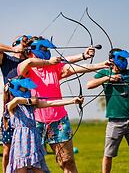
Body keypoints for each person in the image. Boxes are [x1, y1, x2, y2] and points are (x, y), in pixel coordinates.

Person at [17, 37, 111, 173]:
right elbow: (30, 61)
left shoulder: (54, 67)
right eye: (44, 49)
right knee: (33, 163)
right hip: (34, 121)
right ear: (32, 50)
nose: (47, 51)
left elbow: (78, 68)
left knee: (67, 161)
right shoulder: (25, 69)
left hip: (58, 120)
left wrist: (101, 64)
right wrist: (48, 61)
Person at [4, 76, 84, 173]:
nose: (27, 90)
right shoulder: (12, 106)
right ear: (15, 88)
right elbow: (16, 101)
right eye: (24, 88)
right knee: (22, 169)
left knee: (38, 168)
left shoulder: (31, 105)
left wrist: (72, 101)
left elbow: (51, 103)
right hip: (21, 142)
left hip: (33, 140)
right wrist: (29, 100)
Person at [0, 35, 33, 173]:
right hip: (9, 112)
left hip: (26, 111)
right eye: (21, 45)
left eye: (25, 46)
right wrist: (13, 49)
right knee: (7, 151)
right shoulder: (7, 59)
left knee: (28, 151)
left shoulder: (30, 62)